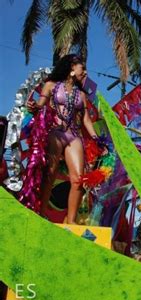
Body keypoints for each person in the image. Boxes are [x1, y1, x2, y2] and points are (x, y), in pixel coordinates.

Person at [27, 54, 100, 224]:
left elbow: (86, 120)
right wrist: (34, 108)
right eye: (83, 68)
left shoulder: (82, 95)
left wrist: (97, 139)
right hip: (55, 132)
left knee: (78, 179)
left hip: (73, 136)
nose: (86, 73)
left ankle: (71, 220)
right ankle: (41, 213)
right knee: (50, 173)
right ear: (72, 68)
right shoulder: (51, 86)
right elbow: (40, 105)